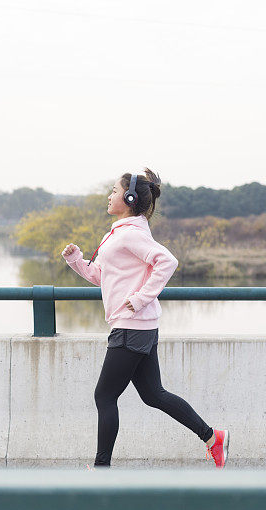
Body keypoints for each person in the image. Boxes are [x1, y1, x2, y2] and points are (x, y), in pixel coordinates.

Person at [60, 168, 229, 468]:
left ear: (128, 198)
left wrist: (139, 299)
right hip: (139, 326)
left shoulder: (133, 234)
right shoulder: (120, 233)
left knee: (104, 395)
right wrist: (77, 260)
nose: (109, 196)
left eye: (114, 190)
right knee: (153, 394)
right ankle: (212, 437)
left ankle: (102, 470)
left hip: (131, 327)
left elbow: (167, 261)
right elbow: (102, 277)